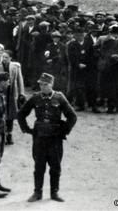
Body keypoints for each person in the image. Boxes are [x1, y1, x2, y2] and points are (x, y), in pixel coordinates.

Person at [17, 73, 77, 202]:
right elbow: (21, 114)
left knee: (55, 167)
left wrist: (64, 131)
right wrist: (27, 129)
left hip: (55, 139)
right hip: (39, 138)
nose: (42, 87)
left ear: (51, 85)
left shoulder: (59, 98)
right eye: (40, 84)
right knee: (39, 166)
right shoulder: (35, 98)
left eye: (45, 84)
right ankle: (37, 193)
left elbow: (72, 116)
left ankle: (54, 193)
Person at [0, 51, 26, 145]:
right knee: (0, 113)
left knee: (10, 114)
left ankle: (9, 134)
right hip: (1, 92)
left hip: (11, 93)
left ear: (10, 58)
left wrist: (21, 93)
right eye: (3, 57)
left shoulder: (15, 67)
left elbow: (20, 80)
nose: (4, 59)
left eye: (6, 57)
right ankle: (1, 134)